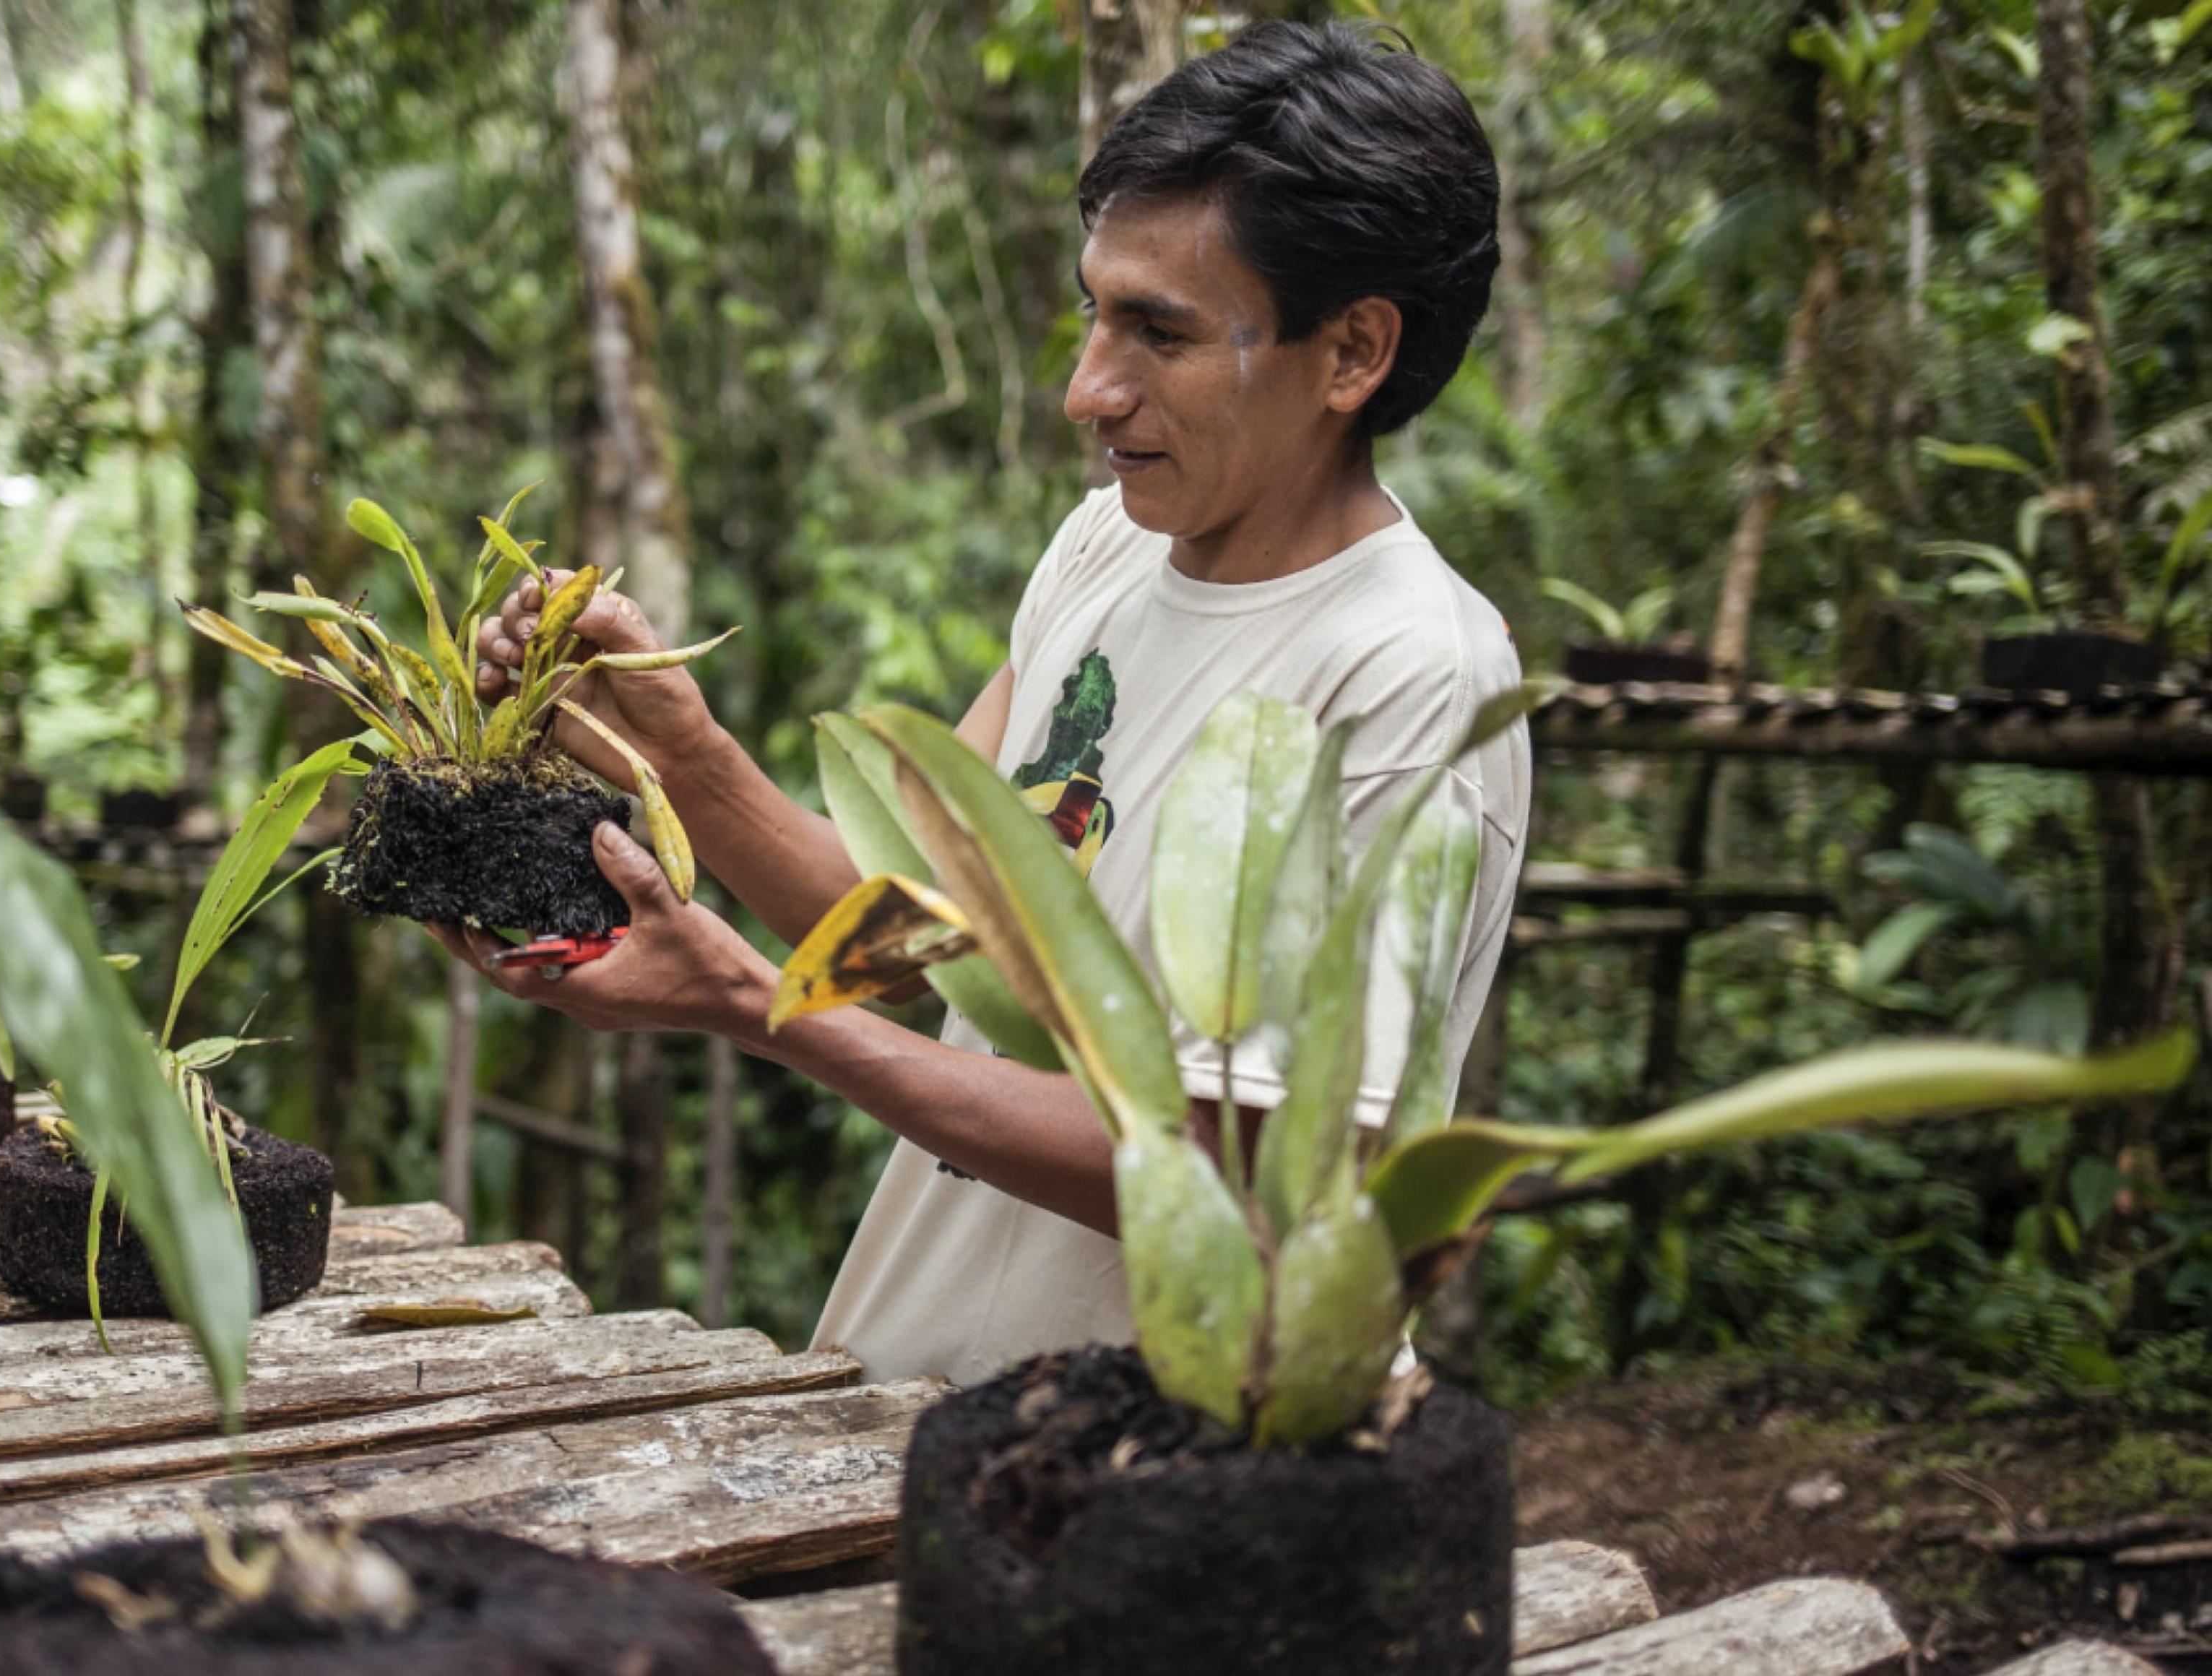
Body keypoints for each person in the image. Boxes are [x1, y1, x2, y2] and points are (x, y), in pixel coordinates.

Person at [427, 21, 1529, 1390]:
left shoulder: (1413, 674)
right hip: (933, 1427)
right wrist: (676, 745)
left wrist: (749, 1002)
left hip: (1188, 1491)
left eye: (1158, 332)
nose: (1088, 389)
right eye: (1093, 311)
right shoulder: (1104, 555)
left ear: (1353, 350)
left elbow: (1256, 1188)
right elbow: (914, 936)